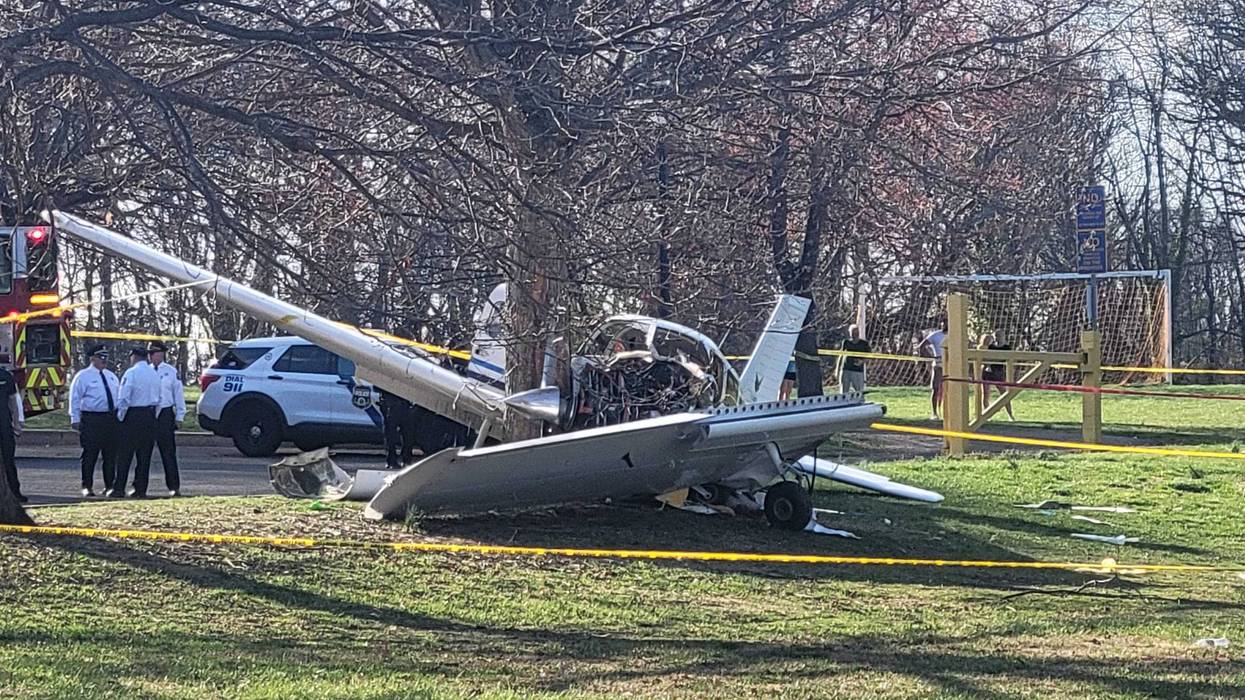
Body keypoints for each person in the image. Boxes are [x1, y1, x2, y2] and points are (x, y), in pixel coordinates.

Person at [69, 345, 121, 497]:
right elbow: (75, 398)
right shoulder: (83, 376)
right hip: (92, 419)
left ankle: (109, 485)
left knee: (110, 455)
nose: (104, 360)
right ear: (92, 358)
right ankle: (87, 486)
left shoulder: (111, 376)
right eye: (101, 357)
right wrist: (75, 418)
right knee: (90, 454)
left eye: (105, 357)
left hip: (110, 418)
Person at [112, 348, 161, 498]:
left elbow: (125, 397)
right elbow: (160, 398)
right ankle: (141, 489)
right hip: (150, 415)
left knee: (125, 455)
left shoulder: (131, 373)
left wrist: (120, 417)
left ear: (133, 357)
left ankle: (119, 488)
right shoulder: (154, 374)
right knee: (144, 455)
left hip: (133, 415)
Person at [148, 342, 185, 496]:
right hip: (148, 413)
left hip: (165, 413)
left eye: (155, 353)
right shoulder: (144, 371)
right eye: (150, 353)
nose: (152, 356)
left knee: (168, 452)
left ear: (162, 354)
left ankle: (174, 487)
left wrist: (180, 415)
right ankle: (139, 486)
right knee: (144, 452)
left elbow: (178, 394)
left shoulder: (170, 372)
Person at [0, 361, 25, 502]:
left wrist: (17, 423)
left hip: (4, 425)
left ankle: (15, 492)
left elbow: (13, 401)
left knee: (9, 460)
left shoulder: (5, 376)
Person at [978, 331, 1015, 421]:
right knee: (985, 393)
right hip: (987, 372)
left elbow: (1007, 359)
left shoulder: (1007, 348)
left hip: (998, 372)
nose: (997, 338)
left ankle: (1010, 415)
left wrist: (993, 360)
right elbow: (983, 357)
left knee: (1004, 394)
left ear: (1003, 336)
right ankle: (986, 415)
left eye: (999, 336)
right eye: (996, 336)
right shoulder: (990, 346)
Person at [378, 389, 417, 468]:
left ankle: (406, 460)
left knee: (408, 434)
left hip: (405, 403)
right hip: (390, 403)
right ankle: (392, 460)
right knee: (390, 435)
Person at [918, 323, 948, 420]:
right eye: (944, 323)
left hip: (951, 365)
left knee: (950, 389)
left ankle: (947, 411)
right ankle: (934, 413)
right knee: (936, 388)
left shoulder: (955, 334)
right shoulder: (936, 335)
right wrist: (931, 357)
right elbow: (921, 346)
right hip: (938, 365)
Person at [837, 324, 871, 394]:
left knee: (858, 392)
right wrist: (837, 369)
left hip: (857, 371)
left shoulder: (864, 344)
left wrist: (861, 361)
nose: (855, 334)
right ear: (850, 333)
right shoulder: (846, 342)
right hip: (845, 370)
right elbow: (841, 355)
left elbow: (869, 356)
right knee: (844, 391)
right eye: (853, 333)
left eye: (856, 332)